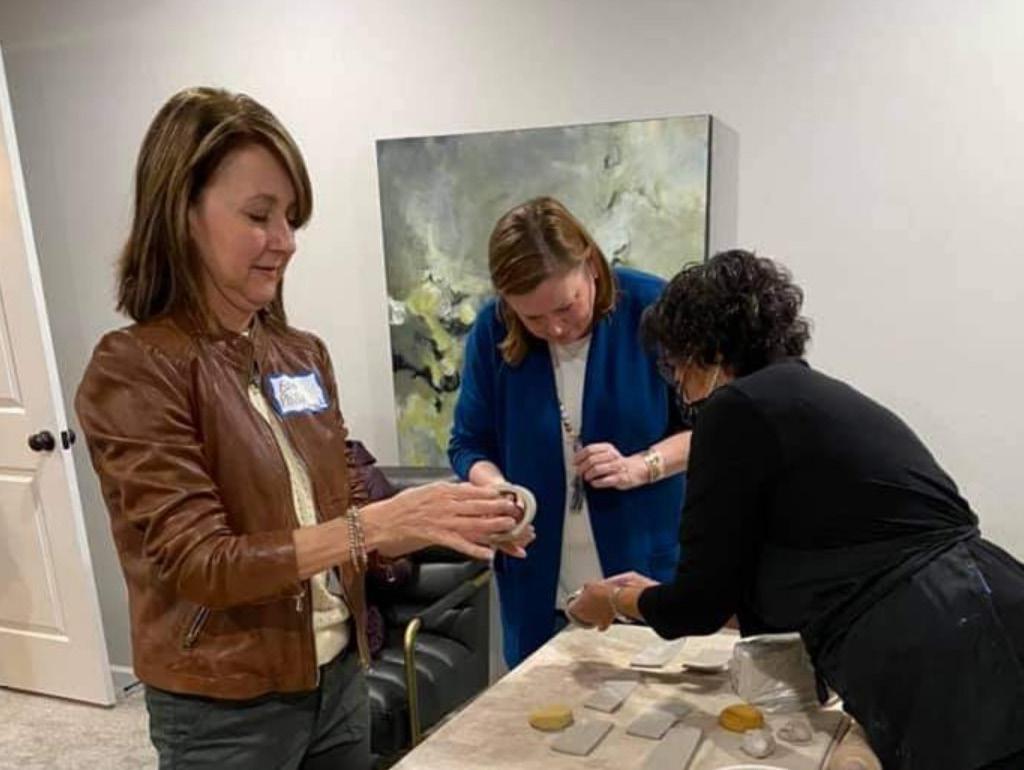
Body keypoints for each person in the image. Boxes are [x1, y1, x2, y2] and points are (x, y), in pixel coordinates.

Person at [74, 87, 519, 770]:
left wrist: (454, 520)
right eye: (259, 216)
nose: (284, 241)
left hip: (337, 679)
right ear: (182, 212)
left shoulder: (300, 355)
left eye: (290, 218)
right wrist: (370, 527)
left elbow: (346, 505)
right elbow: (202, 563)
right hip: (225, 708)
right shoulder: (135, 368)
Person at [569, 249, 1024, 770]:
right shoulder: (803, 397)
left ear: (705, 350)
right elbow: (765, 576)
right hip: (981, 606)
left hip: (953, 647)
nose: (679, 385)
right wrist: (652, 594)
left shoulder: (736, 409)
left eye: (675, 365)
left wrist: (615, 599)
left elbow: (699, 606)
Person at [447, 196, 691, 666]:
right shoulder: (491, 330)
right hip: (540, 594)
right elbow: (468, 444)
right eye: (533, 318)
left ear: (591, 266)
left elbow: (711, 430)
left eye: (565, 306)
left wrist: (641, 466)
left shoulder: (653, 307)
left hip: (646, 581)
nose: (555, 329)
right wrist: (498, 491)